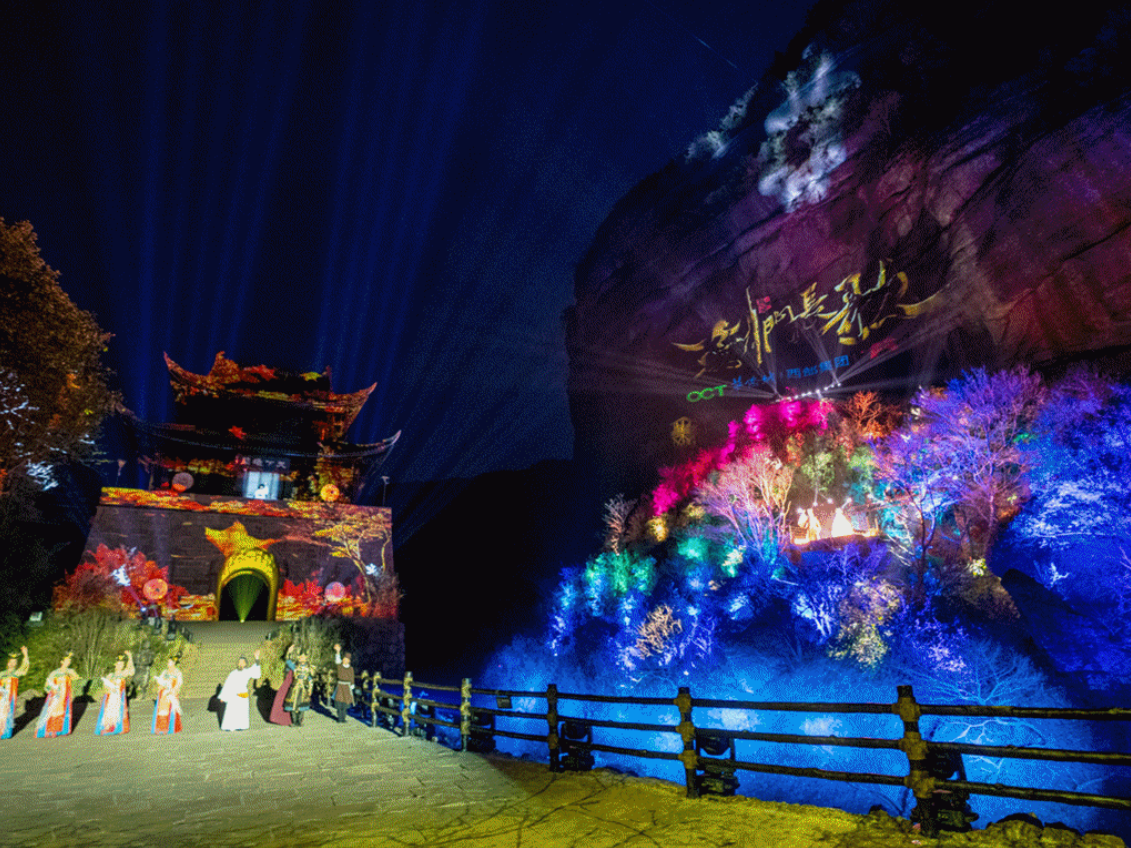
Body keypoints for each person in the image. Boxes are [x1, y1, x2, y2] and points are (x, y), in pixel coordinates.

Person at [36, 653, 80, 738]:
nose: (68, 662)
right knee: (53, 712)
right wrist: (52, 690)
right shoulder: (55, 673)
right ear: (61, 662)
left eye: (69, 661)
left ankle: (62, 730)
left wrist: (70, 673)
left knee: (64, 712)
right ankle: (51, 730)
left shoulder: (70, 671)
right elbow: (47, 685)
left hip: (65, 696)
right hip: (56, 694)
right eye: (66, 661)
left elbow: (76, 677)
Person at [218, 649, 261, 731]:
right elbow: (227, 685)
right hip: (233, 695)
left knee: (241, 711)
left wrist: (257, 658)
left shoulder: (247, 672)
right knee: (231, 711)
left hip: (243, 694)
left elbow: (256, 672)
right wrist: (223, 697)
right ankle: (229, 726)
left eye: (242, 662)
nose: (241, 664)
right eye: (239, 662)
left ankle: (240, 726)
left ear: (245, 664)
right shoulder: (233, 673)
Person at [96, 650, 136, 735]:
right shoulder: (111, 675)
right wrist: (109, 688)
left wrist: (130, 657)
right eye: (119, 664)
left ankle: (118, 727)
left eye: (122, 664)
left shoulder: (123, 673)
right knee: (110, 711)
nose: (120, 665)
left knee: (119, 711)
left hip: (119, 697)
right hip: (111, 696)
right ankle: (108, 727)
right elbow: (105, 686)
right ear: (115, 664)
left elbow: (132, 671)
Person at [0, 646, 29, 739]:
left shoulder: (17, 673)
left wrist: (25, 654)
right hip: (1, 697)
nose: (12, 664)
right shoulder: (1, 674)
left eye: (14, 662)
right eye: (11, 662)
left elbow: (24, 666)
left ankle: (5, 733)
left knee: (8, 714)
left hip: (10, 697)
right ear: (7, 663)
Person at [285, 646, 315, 727]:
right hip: (295, 688)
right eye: (301, 658)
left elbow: (310, 680)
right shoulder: (295, 667)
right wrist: (289, 652)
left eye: (304, 658)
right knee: (293, 705)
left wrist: (310, 690)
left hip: (304, 689)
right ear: (299, 658)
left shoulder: (309, 668)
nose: (302, 659)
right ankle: (294, 721)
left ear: (306, 658)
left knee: (302, 706)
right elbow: (288, 661)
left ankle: (299, 722)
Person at [152, 657, 183, 734]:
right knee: (162, 709)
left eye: (170, 662)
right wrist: (160, 684)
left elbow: (179, 683)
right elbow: (161, 680)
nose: (168, 664)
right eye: (168, 662)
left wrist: (174, 689)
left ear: (174, 663)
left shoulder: (177, 672)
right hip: (164, 692)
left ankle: (170, 727)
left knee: (171, 708)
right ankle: (161, 727)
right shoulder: (165, 672)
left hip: (172, 691)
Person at [332, 643, 355, 724]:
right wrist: (338, 652)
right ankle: (339, 718)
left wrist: (352, 685)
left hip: (347, 687)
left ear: (349, 661)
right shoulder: (340, 666)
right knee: (339, 703)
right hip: (340, 686)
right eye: (344, 659)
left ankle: (343, 718)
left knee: (345, 704)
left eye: (346, 660)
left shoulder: (351, 669)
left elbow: (352, 677)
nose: (344, 661)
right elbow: (337, 660)